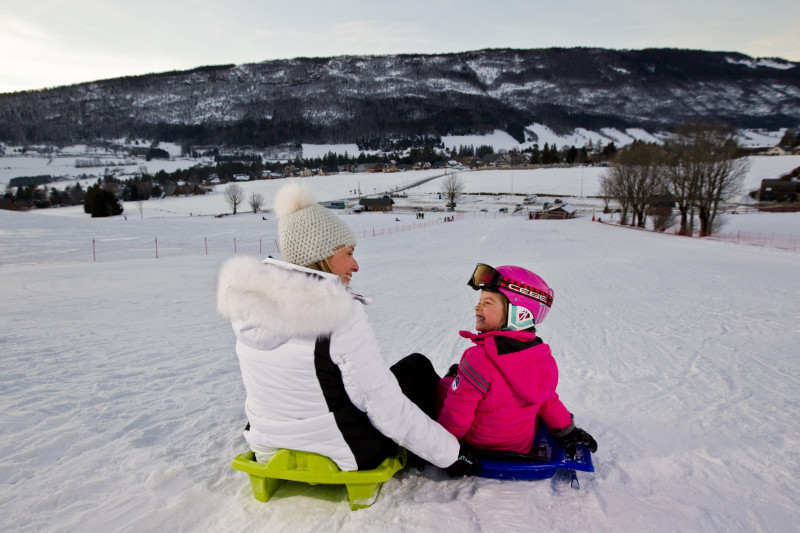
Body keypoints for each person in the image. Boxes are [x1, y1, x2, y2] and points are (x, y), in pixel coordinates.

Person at [217, 182, 478, 476]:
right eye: (349, 252)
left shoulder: (248, 307)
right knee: (416, 368)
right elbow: (385, 408)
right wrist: (451, 454)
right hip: (346, 451)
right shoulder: (337, 315)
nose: (355, 265)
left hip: (267, 446)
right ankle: (456, 421)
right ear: (325, 255)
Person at [437, 263, 597, 458]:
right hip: (519, 448)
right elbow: (547, 400)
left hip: (479, 448)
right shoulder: (539, 356)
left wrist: (443, 452)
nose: (477, 307)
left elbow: (456, 416)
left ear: (519, 314)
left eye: (488, 302)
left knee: (423, 371)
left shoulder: (479, 358)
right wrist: (567, 431)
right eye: (480, 301)